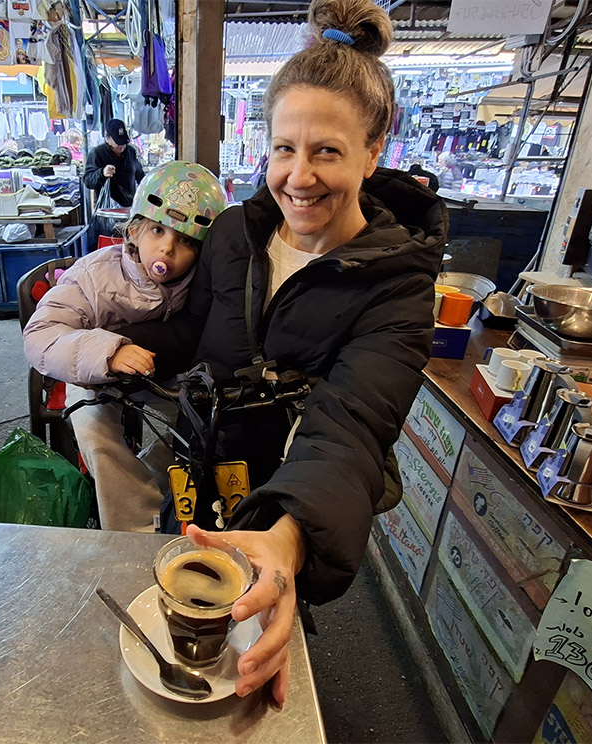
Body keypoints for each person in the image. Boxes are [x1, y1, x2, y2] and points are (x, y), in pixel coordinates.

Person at [127, 0, 446, 705]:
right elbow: (192, 337)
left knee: (251, 650)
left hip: (285, 498)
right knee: (179, 616)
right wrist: (98, 339)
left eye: (327, 151)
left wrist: (289, 539)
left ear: (374, 150)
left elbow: (352, 426)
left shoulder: (397, 286)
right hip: (198, 468)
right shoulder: (234, 234)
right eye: (283, 149)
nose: (299, 177)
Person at [22, 162, 227, 532]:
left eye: (186, 241)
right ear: (134, 230)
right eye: (158, 230)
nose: (167, 248)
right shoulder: (95, 275)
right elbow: (41, 335)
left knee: (203, 426)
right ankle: (135, 529)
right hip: (94, 374)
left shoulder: (196, 281)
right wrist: (108, 352)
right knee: (95, 433)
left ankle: (150, 488)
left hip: (164, 376)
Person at [83, 118, 144, 208]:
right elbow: (88, 181)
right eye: (118, 142)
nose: (122, 146)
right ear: (107, 139)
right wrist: (102, 173)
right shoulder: (97, 153)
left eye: (123, 142)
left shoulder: (130, 151)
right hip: (107, 208)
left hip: (129, 205)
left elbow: (140, 175)